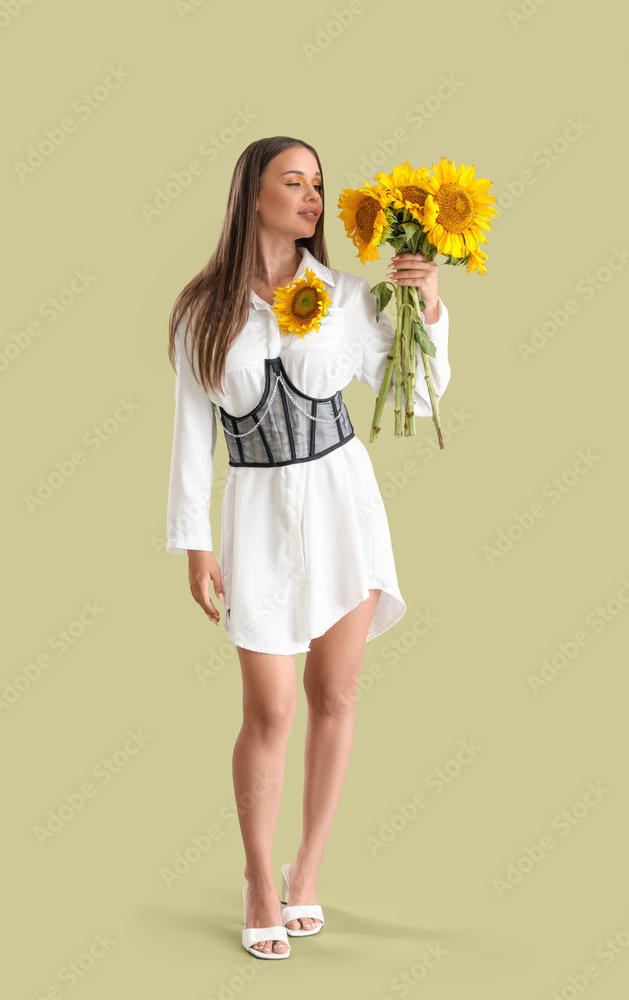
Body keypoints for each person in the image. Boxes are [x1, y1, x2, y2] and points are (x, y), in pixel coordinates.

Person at [166, 136, 451, 959]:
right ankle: (258, 875)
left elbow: (419, 389)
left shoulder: (348, 297)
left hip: (342, 509)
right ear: (249, 195)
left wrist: (424, 307)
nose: (312, 196)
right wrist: (193, 543)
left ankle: (308, 870)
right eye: (292, 181)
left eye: (318, 184)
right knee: (270, 706)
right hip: (254, 515)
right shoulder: (200, 312)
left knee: (333, 695)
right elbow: (191, 436)